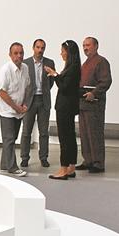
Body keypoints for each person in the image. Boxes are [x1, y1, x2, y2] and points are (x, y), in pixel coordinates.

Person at [44, 40, 81, 180]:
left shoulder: (73, 68)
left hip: (65, 107)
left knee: (65, 138)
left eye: (63, 51)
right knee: (70, 136)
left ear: (69, 52)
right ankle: (71, 167)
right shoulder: (73, 67)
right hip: (68, 107)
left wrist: (54, 74)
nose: (61, 54)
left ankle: (63, 169)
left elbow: (64, 87)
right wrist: (57, 75)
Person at [76, 37, 112, 173]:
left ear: (96, 46)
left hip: (94, 105)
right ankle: (88, 160)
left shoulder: (101, 62)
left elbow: (106, 81)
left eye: (88, 45)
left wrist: (94, 93)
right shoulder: (85, 64)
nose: (85, 48)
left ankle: (98, 162)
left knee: (94, 133)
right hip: (83, 105)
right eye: (84, 45)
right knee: (84, 134)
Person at [19, 39, 55, 168]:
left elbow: (51, 82)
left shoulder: (50, 62)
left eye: (42, 48)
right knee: (26, 131)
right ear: (33, 48)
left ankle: (43, 157)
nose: (40, 50)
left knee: (44, 132)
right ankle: (24, 158)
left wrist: (44, 91)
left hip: (44, 100)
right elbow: (22, 82)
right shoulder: (25, 63)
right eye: (38, 47)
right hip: (29, 100)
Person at [0, 42, 29, 177]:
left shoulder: (25, 68)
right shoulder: (5, 70)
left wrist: (24, 104)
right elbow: (2, 92)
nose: (19, 56)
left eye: (21, 53)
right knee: (9, 139)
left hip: (19, 111)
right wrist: (16, 107)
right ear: (10, 55)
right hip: (7, 111)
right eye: (15, 53)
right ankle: (12, 167)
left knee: (11, 139)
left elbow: (26, 87)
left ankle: (4, 164)